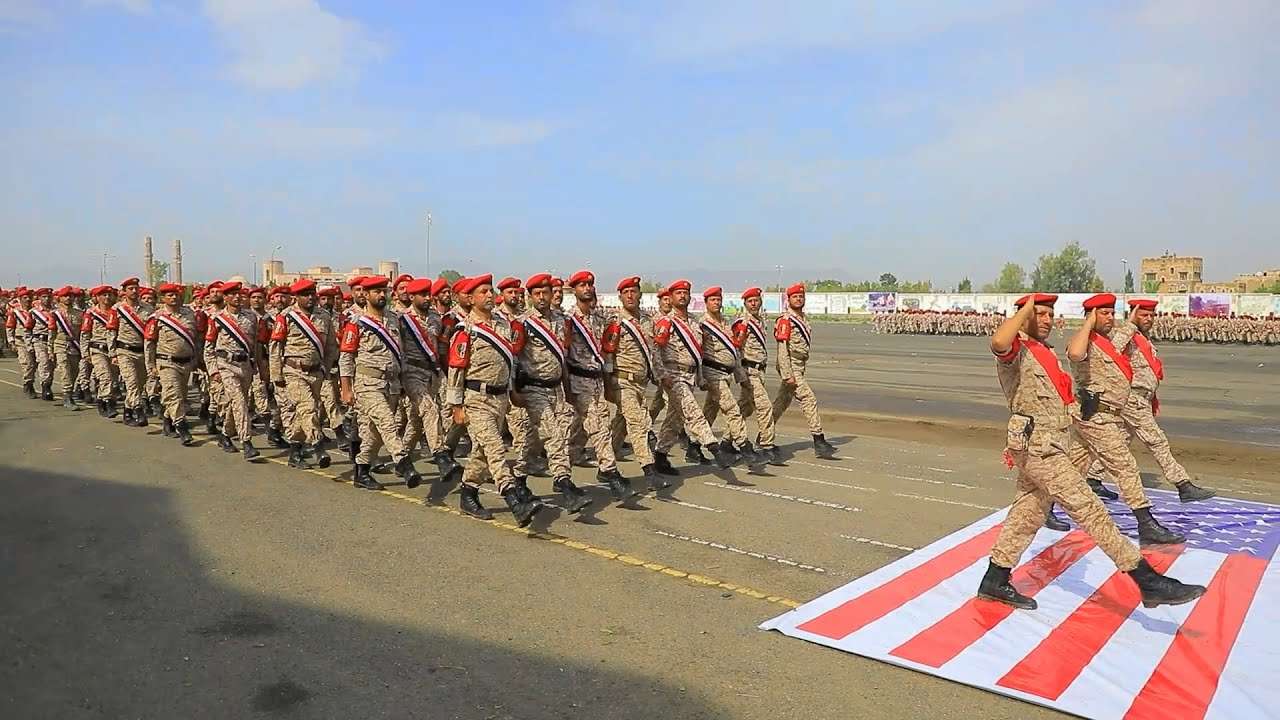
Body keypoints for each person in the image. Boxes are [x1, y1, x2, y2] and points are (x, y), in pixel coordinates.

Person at [978, 292, 1204, 610]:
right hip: (1039, 448)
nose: (1047, 320)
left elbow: (1054, 399)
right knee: (1090, 509)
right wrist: (1026, 308)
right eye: (1039, 314)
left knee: (1028, 514)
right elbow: (998, 342)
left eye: (1049, 314)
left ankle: (995, 579)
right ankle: (1146, 580)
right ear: (1024, 315)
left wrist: (1077, 406)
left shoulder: (1044, 351)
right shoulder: (1017, 350)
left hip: (1052, 443)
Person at [1056, 293, 1183, 544]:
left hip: (1107, 415)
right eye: (1103, 313)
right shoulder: (1084, 340)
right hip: (1096, 417)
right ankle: (1146, 523)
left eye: (1111, 313)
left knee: (1073, 467)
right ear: (1091, 316)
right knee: (1126, 467)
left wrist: (1128, 322)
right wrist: (1088, 322)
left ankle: (1045, 506)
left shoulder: (1106, 342)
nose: (1110, 318)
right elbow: (1075, 354)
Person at [1084, 298, 1216, 503]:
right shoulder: (1123, 334)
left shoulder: (1142, 338)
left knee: (1120, 440)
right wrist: (1129, 324)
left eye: (1151, 315)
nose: (1149, 319)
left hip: (1143, 397)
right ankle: (1182, 484)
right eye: (1144, 315)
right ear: (1133, 314)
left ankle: (1093, 478)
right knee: (1156, 441)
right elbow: (1113, 350)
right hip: (1132, 397)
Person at [446, 274, 544, 525]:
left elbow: (508, 362)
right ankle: (514, 501)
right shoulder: (465, 329)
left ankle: (468, 494)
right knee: (496, 448)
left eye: (490, 291)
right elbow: (456, 369)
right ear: (471, 299)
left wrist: (512, 392)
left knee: (482, 452)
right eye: (483, 292)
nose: (489, 295)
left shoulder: (502, 324)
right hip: (476, 398)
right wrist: (456, 406)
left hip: (500, 398)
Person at [514, 273, 592, 512]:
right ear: (530, 296)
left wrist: (567, 390)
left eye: (545, 293)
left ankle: (518, 478)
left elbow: (563, 356)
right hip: (533, 388)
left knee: (535, 439)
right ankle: (564, 485)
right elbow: (513, 357)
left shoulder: (562, 320)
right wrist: (514, 391)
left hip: (556, 388)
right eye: (536, 293)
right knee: (553, 436)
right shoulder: (523, 323)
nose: (541, 297)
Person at [338, 276, 422, 490]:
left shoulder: (394, 319)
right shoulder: (357, 322)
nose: (382, 295)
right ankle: (403, 462)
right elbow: (346, 357)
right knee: (387, 422)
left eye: (384, 291)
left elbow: (401, 353)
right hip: (368, 383)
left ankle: (362, 470)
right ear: (366, 295)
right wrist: (346, 389)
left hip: (391, 383)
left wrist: (402, 381)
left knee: (374, 433)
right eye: (377, 291)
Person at [564, 270, 634, 499]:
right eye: (582, 285)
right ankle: (610, 472)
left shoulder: (599, 318)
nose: (587, 288)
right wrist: (566, 388)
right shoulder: (568, 320)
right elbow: (563, 355)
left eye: (589, 285)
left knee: (579, 435)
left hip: (596, 381)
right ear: (574, 290)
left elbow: (605, 352)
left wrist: (608, 382)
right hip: (578, 381)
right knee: (599, 426)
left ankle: (560, 474)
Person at [653, 280, 734, 470]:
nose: (682, 296)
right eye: (678, 293)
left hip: (690, 376)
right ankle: (715, 449)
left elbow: (698, 353)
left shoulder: (695, 323)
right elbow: (655, 350)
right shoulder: (667, 322)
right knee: (693, 412)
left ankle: (660, 456)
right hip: (674, 376)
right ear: (671, 297)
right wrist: (662, 375)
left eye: (685, 293)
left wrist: (700, 376)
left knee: (675, 420)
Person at [603, 276, 674, 490]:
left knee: (621, 426)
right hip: (622, 381)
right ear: (620, 297)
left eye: (633, 291)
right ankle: (649, 471)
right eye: (626, 293)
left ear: (640, 295)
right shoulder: (615, 321)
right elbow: (608, 354)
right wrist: (607, 383)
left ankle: (605, 467)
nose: (630, 296)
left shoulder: (647, 320)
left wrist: (661, 375)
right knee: (638, 424)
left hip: (641, 383)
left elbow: (654, 352)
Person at [397, 277, 461, 481]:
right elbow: (398, 348)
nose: (426, 298)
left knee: (417, 420)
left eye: (428, 294)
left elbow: (440, 345)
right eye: (422, 295)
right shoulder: (402, 319)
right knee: (429, 409)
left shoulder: (435, 317)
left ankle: (403, 457)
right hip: (411, 371)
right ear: (412, 297)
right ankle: (441, 455)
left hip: (432, 372)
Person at [698, 286, 766, 471]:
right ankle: (746, 449)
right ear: (706, 303)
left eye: (718, 299)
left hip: (726, 373)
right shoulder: (702, 325)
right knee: (732, 410)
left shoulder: (725, 323)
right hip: (712, 373)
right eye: (713, 300)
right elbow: (698, 352)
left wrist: (740, 375)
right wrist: (700, 377)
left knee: (709, 412)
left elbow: (734, 350)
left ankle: (693, 445)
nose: (716, 303)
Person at [202, 281, 267, 459]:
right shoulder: (217, 319)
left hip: (245, 366)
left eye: (239, 294)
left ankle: (225, 435)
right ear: (225, 297)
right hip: (226, 365)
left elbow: (255, 345)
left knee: (237, 403)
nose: (237, 297)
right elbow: (209, 347)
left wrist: (259, 367)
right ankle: (246, 441)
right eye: (232, 294)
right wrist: (213, 370)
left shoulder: (251, 317)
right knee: (239, 402)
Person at [772, 284, 837, 459]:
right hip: (791, 365)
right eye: (795, 297)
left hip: (800, 365)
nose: (799, 299)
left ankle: (764, 436)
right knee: (808, 399)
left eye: (801, 296)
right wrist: (787, 374)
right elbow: (782, 349)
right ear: (788, 299)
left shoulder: (803, 318)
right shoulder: (786, 320)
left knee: (781, 403)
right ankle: (819, 440)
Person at [144, 283, 204, 445]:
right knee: (174, 394)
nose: (174, 297)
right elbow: (149, 343)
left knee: (180, 396)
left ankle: (167, 420)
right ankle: (182, 427)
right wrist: (150, 365)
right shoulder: (157, 318)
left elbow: (196, 338)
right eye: (169, 295)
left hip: (186, 362)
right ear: (163, 298)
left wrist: (197, 359)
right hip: (166, 362)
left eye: (176, 294)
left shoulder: (189, 315)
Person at [732, 287, 783, 465]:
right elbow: (736, 349)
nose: (754, 304)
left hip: (760, 371)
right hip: (749, 371)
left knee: (744, 409)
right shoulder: (743, 323)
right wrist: (740, 375)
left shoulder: (760, 321)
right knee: (765, 406)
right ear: (745, 303)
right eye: (750, 301)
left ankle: (726, 443)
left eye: (756, 301)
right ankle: (766, 446)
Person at [113, 278, 152, 426]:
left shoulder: (148, 309)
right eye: (131, 288)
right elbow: (111, 332)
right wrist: (113, 353)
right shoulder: (118, 309)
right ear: (124, 291)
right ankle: (138, 410)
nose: (134, 291)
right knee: (132, 382)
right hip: (125, 351)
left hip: (142, 352)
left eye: (136, 288)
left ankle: (127, 410)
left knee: (140, 384)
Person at [83, 286, 120, 418]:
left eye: (109, 295)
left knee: (113, 378)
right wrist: (85, 353)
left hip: (114, 350)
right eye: (104, 295)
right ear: (97, 297)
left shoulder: (117, 312)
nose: (107, 298)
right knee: (105, 376)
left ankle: (101, 399)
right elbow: (85, 333)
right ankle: (108, 403)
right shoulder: (91, 313)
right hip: (98, 349)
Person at [49, 286, 85, 409]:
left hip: (75, 346)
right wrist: (50, 349)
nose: (68, 298)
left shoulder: (79, 314)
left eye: (71, 296)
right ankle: (67, 396)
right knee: (65, 371)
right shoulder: (55, 314)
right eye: (65, 296)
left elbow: (82, 333)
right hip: (61, 345)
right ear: (60, 298)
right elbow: (52, 333)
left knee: (74, 372)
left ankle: (69, 391)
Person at [6, 288, 36, 397]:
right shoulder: (15, 312)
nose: (28, 300)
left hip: (35, 340)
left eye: (29, 298)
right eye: (25, 298)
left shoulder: (36, 311)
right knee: (27, 363)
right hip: (21, 341)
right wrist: (11, 341)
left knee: (36, 364)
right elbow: (10, 326)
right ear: (20, 299)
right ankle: (28, 383)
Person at [29, 287, 56, 400]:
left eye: (49, 297)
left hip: (53, 341)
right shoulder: (34, 312)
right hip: (40, 341)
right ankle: (46, 387)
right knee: (44, 362)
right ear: (39, 298)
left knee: (52, 365)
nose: (47, 299)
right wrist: (29, 344)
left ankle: (48, 383)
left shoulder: (56, 311)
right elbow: (28, 328)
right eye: (44, 297)